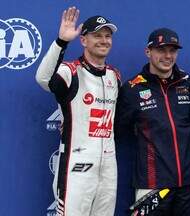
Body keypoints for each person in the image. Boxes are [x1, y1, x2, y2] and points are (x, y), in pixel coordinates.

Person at [35, 7, 120, 216]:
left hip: (108, 167)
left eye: (108, 36)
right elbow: (43, 80)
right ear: (83, 40)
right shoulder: (69, 71)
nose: (104, 40)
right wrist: (62, 42)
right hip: (77, 167)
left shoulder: (114, 76)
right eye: (97, 35)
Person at [115, 28, 190, 215]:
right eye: (161, 50)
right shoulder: (132, 89)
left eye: (173, 50)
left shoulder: (188, 83)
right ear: (148, 52)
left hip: (189, 183)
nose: (167, 56)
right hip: (152, 185)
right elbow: (115, 131)